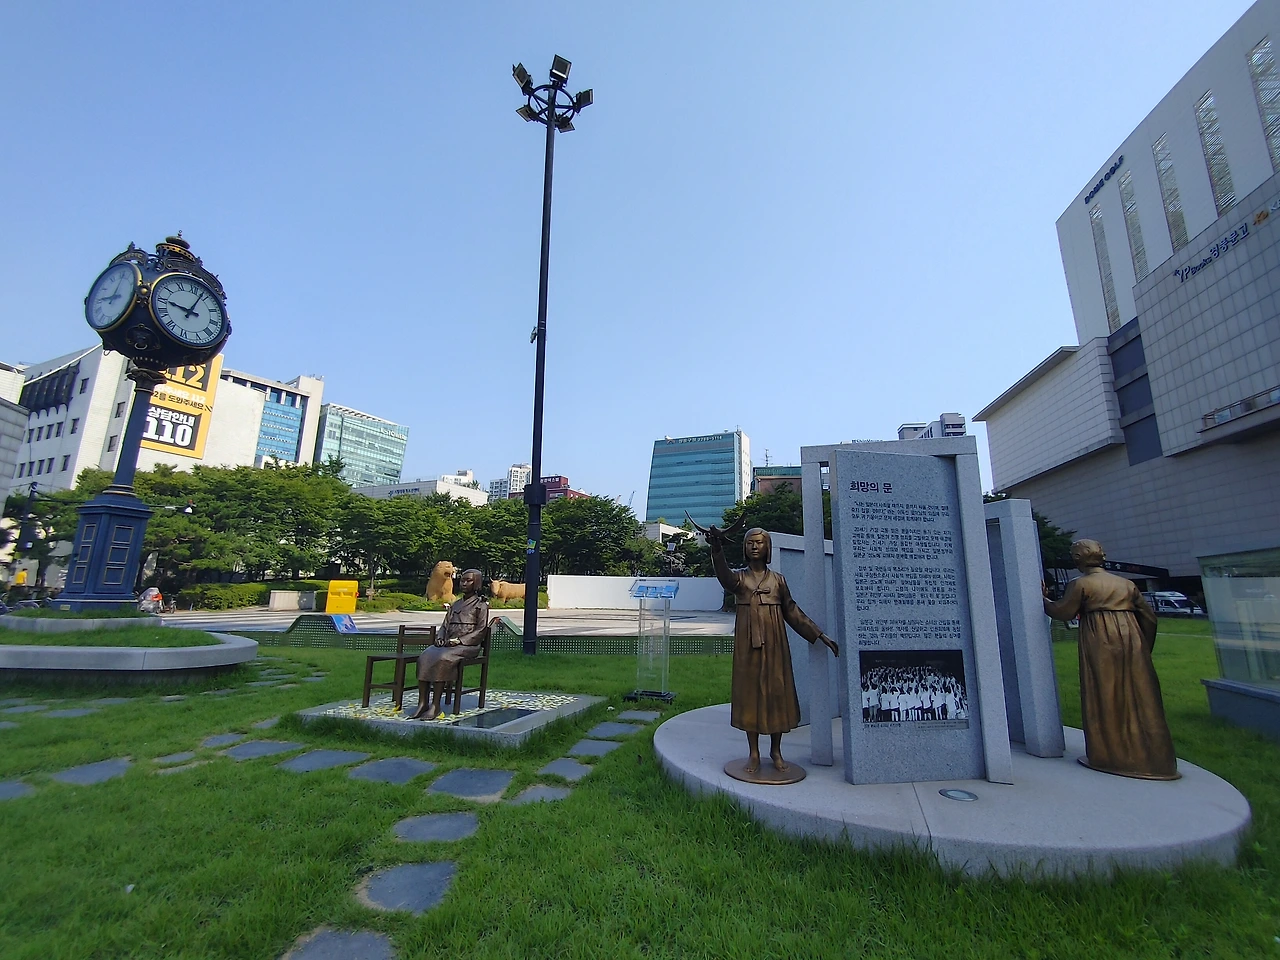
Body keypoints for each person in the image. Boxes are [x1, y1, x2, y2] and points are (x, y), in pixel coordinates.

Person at [1043, 539, 1179, 780]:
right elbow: (1150, 618)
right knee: (1143, 695)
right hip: (1132, 639)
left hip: (1100, 640)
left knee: (1106, 693)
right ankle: (1157, 759)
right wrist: (1142, 648)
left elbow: (1063, 611)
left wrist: (1043, 599)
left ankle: (1110, 755)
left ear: (1078, 559)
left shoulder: (1081, 584)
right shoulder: (1126, 584)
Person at [710, 526, 839, 774]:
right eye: (750, 543)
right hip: (748, 644)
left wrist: (818, 633)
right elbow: (724, 576)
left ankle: (776, 751)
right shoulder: (740, 579)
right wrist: (717, 549)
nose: (754, 546)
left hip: (775, 643)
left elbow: (791, 611)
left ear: (767, 547)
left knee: (777, 692)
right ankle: (754, 753)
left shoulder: (778, 580)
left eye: (759, 542)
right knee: (750, 694)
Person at [410, 569, 489, 721]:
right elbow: (445, 625)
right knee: (425, 655)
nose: (464, 583)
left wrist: (460, 640)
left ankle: (435, 705)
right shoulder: (455, 604)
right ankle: (423, 703)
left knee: (443, 658)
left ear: (477, 583)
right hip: (448, 644)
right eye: (462, 580)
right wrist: (440, 637)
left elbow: (481, 630)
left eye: (468, 580)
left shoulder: (481, 605)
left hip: (467, 646)